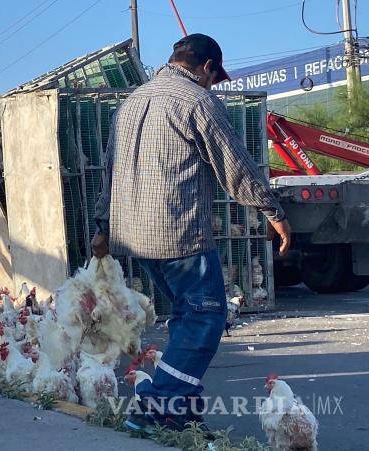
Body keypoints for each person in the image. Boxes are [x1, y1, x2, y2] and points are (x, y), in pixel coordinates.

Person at [91, 34, 291, 433]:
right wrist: (274, 212)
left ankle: (182, 410)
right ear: (207, 68)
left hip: (134, 236)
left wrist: (102, 226)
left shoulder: (130, 103)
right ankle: (156, 410)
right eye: (213, 79)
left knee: (186, 317)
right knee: (206, 318)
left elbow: (109, 171)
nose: (212, 86)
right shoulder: (197, 102)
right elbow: (235, 166)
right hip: (177, 234)